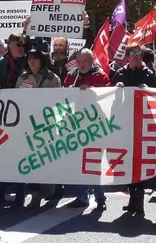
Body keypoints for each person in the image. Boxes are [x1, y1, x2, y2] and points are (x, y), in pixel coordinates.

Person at [111, 42, 156, 214]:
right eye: (133, 53)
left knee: (140, 161)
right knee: (129, 162)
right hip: (125, 123)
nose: (136, 56)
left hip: (142, 124)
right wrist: (117, 89)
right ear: (127, 56)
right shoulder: (120, 73)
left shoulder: (148, 73)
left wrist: (148, 90)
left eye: (139, 53)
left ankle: (139, 201)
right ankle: (133, 199)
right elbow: (109, 96)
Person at [14, 49, 61, 208]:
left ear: (42, 60)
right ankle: (35, 194)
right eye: (29, 58)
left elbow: (58, 101)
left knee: (45, 159)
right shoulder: (23, 77)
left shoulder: (52, 78)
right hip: (28, 124)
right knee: (32, 160)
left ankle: (49, 191)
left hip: (46, 125)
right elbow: (16, 97)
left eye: (35, 58)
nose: (32, 61)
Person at [63, 48, 109, 211]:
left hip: (95, 126)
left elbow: (106, 98)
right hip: (76, 124)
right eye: (79, 61)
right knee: (78, 162)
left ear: (91, 61)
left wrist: (89, 91)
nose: (81, 65)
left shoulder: (100, 76)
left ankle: (100, 197)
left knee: (94, 163)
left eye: (85, 61)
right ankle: (82, 196)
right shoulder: (72, 76)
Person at [0, 32, 28, 207]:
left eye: (23, 45)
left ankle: (20, 194)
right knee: (2, 155)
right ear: (10, 45)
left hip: (24, 114)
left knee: (20, 155)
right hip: (5, 116)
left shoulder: (29, 61)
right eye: (18, 44)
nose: (21, 48)